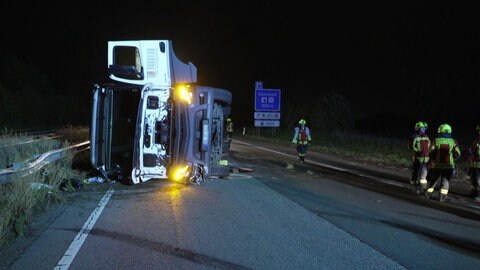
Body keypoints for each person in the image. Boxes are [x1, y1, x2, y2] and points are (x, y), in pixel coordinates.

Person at [424, 123, 461, 202]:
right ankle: (442, 197)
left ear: (440, 131)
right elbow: (457, 154)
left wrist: (434, 158)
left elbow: (430, 152)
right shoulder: (454, 141)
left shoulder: (436, 140)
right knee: (445, 182)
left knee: (433, 180)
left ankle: (427, 195)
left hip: (437, 166)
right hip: (449, 166)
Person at [408, 121, 431, 194]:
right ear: (418, 128)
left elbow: (429, 146)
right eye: (422, 128)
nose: (423, 130)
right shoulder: (414, 137)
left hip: (426, 158)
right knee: (416, 171)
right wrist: (418, 151)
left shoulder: (426, 137)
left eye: (424, 128)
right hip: (417, 158)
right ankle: (413, 185)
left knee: (424, 173)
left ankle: (422, 188)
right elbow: (410, 146)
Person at [466, 124, 480, 201]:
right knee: (474, 180)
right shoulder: (476, 140)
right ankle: (474, 192)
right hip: (474, 164)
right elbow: (472, 150)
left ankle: (478, 194)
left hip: (478, 164)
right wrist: (469, 152)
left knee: (478, 181)